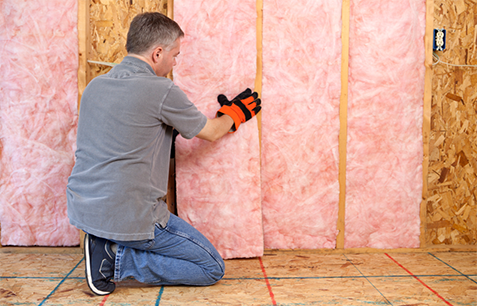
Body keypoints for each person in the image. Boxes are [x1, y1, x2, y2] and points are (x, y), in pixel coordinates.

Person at [66, 12, 261, 296]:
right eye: (175, 55)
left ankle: (103, 244)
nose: (175, 63)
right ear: (157, 53)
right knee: (211, 268)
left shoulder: (96, 86)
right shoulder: (161, 90)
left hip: (86, 209)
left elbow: (132, 132)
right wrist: (235, 113)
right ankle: (114, 259)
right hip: (132, 216)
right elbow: (212, 131)